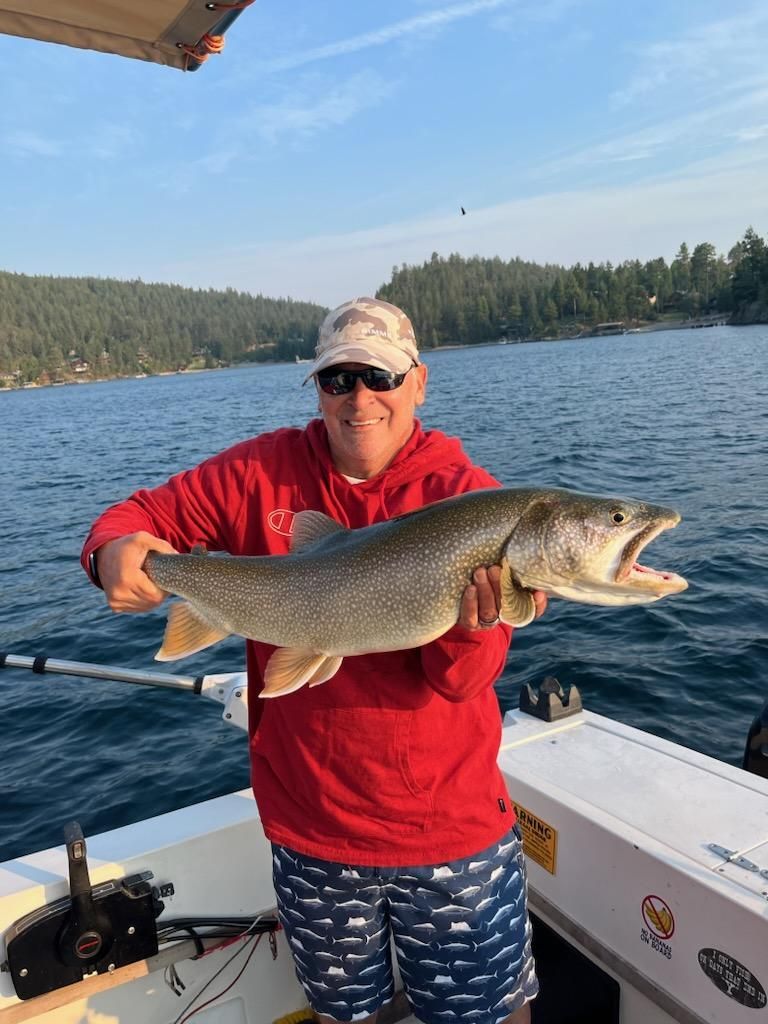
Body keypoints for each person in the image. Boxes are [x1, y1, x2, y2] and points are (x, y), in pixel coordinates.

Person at [82, 297, 545, 1024]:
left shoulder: (469, 499)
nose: (360, 398)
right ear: (318, 389)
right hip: (312, 831)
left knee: (488, 1015)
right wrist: (113, 552)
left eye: (381, 378)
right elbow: (135, 517)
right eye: (338, 379)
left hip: (449, 828)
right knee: (342, 1016)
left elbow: (462, 682)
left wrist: (472, 624)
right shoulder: (258, 470)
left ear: (418, 383)